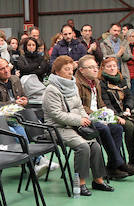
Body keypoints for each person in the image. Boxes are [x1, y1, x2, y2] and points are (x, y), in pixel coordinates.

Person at [42, 56, 110, 195]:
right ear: (57, 72)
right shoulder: (51, 90)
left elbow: (79, 106)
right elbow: (56, 114)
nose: (70, 72)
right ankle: (79, 184)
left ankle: (98, 180)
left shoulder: (71, 85)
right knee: (83, 146)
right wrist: (79, 120)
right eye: (66, 70)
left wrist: (84, 118)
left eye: (71, 69)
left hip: (73, 126)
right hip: (56, 128)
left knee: (95, 145)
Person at [75, 55, 134, 180]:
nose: (95, 70)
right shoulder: (77, 84)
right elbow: (79, 106)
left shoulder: (95, 82)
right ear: (82, 70)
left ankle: (112, 166)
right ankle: (119, 163)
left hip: (99, 116)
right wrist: (97, 115)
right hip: (85, 118)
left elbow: (101, 103)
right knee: (104, 128)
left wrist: (111, 115)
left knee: (117, 128)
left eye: (96, 67)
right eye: (91, 68)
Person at [98, 57, 134, 173]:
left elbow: (129, 97)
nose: (112, 68)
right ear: (103, 68)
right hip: (113, 114)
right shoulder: (101, 83)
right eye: (109, 66)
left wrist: (128, 107)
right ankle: (128, 161)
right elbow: (105, 103)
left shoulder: (122, 80)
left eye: (114, 66)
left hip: (126, 112)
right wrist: (118, 116)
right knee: (130, 126)